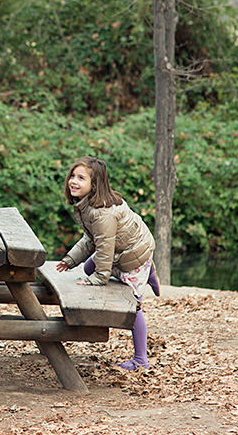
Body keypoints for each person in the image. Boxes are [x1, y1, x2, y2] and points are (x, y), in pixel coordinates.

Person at [55, 156, 161, 371]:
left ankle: (141, 359)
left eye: (81, 178)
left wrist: (99, 279)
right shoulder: (88, 206)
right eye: (73, 176)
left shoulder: (103, 213)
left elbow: (104, 247)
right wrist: (71, 259)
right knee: (87, 268)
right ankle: (145, 273)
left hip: (135, 254)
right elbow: (90, 239)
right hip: (119, 251)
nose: (73, 181)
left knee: (133, 306)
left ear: (94, 185)